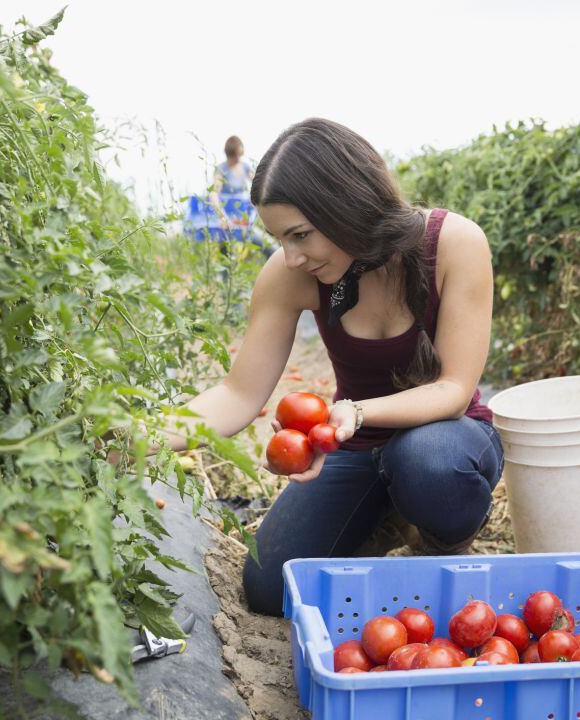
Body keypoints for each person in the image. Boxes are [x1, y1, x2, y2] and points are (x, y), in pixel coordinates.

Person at [157, 118, 503, 616]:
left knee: (428, 464)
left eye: (301, 235)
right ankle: (382, 516)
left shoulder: (452, 244)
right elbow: (238, 394)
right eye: (280, 239)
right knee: (269, 585)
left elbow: (452, 388)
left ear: (347, 206)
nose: (291, 257)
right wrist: (139, 435)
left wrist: (357, 412)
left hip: (449, 435)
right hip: (355, 448)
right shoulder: (288, 275)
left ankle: (437, 542)